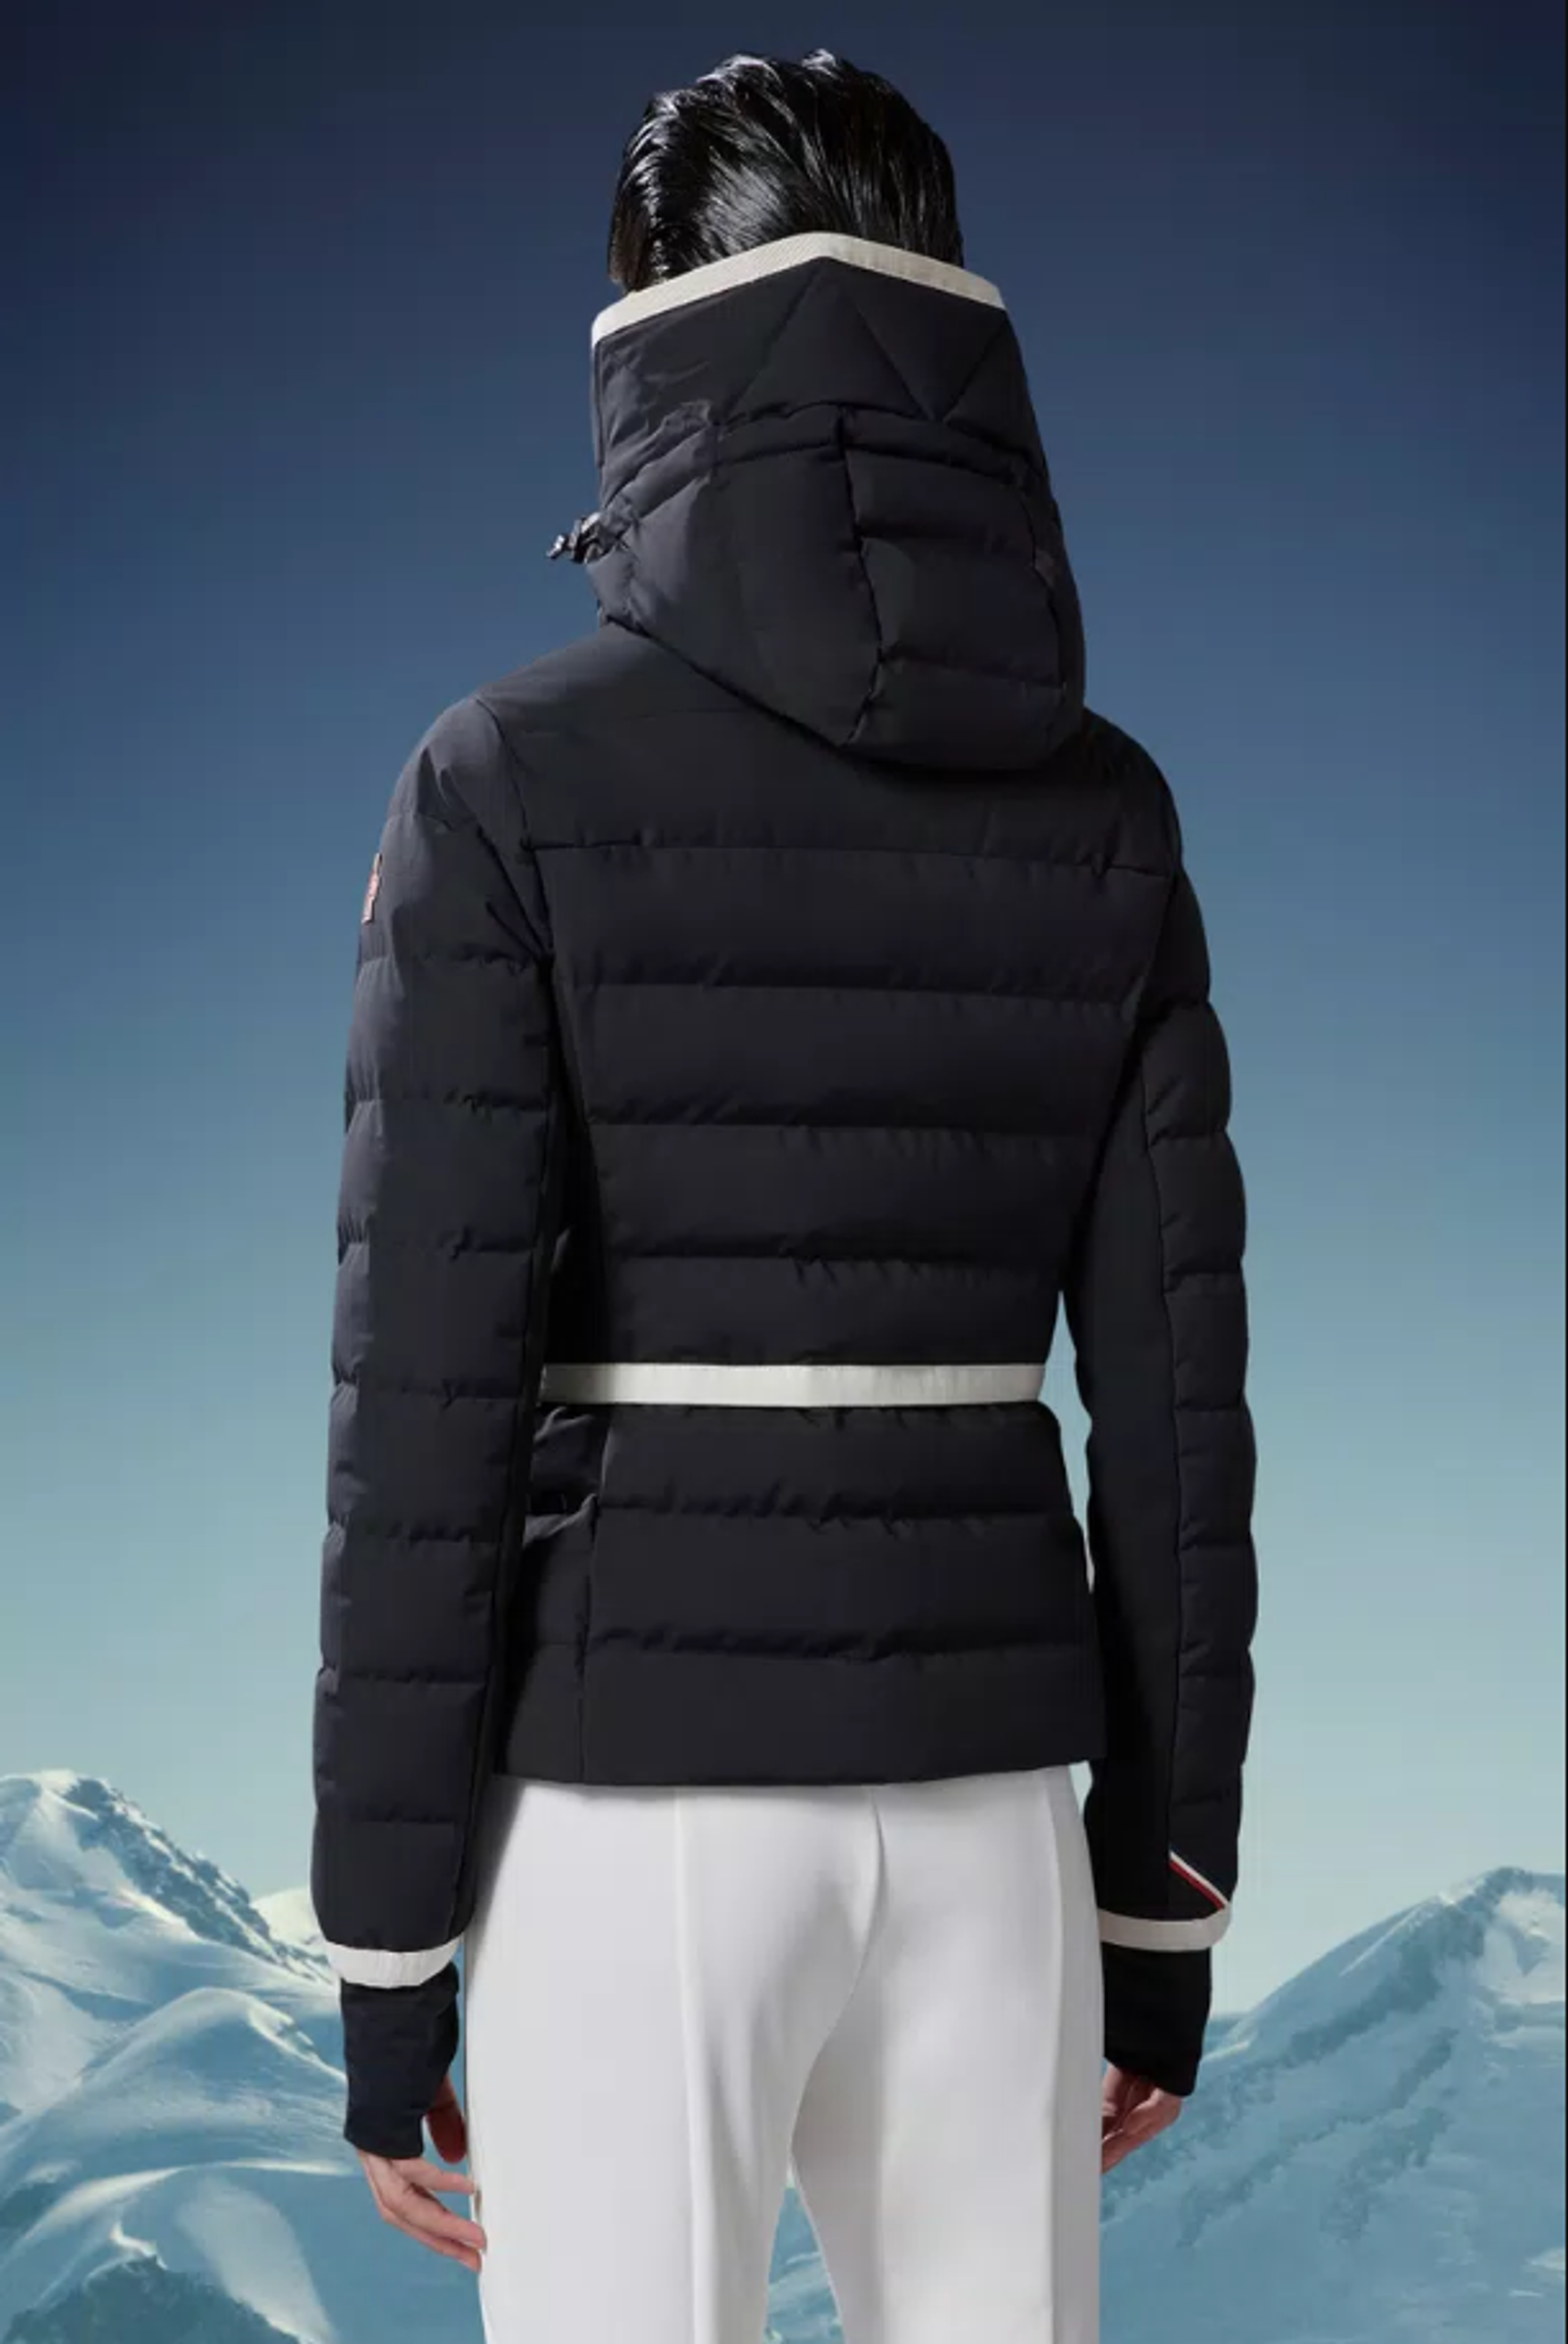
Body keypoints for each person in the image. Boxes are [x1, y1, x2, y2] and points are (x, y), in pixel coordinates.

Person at [307, 46, 1259, 2344]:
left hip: (634, 1808)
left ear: (650, 333)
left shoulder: (503, 782)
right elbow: (1179, 1416)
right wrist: (1160, 1902)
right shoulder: (1111, 810)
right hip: (994, 1821)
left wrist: (387, 1949)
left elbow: (423, 1413)